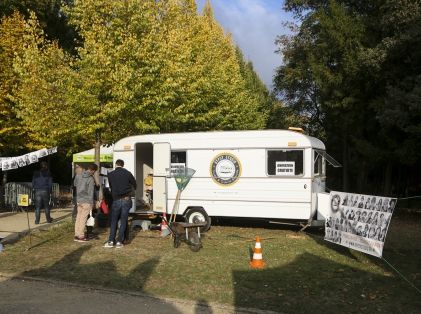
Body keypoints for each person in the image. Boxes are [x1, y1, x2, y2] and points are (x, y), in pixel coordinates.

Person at [104, 159, 137, 248]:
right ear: (123, 165)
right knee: (123, 221)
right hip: (126, 199)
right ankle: (119, 242)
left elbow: (111, 186)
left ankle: (111, 241)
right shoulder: (128, 173)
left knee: (114, 221)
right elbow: (135, 185)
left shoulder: (110, 174)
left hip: (116, 200)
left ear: (116, 165)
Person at [73, 164, 98, 242]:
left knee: (78, 217)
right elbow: (90, 192)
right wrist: (92, 203)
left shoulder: (78, 175)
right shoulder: (90, 179)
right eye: (94, 171)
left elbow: (75, 184)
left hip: (79, 199)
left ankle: (77, 235)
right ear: (93, 170)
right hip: (86, 200)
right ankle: (81, 236)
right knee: (83, 218)